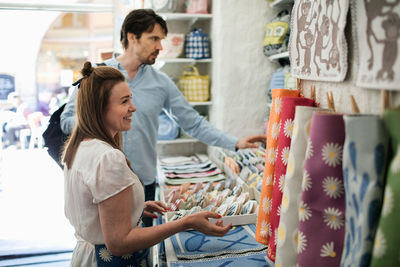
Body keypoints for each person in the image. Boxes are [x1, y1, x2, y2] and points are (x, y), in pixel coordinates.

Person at [60, 9, 265, 226]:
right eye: (154, 38)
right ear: (132, 36)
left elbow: (192, 122)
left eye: (161, 40)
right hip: (100, 180)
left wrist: (235, 143)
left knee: (142, 251)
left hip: (142, 182)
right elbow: (67, 121)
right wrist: (106, 121)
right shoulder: (97, 76)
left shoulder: (161, 83)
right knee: (106, 250)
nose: (160, 46)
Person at [62, 62, 231, 266]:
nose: (133, 107)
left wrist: (135, 207)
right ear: (100, 108)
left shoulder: (80, 147)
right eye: (124, 101)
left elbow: (92, 210)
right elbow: (118, 242)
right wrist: (184, 223)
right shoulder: (108, 158)